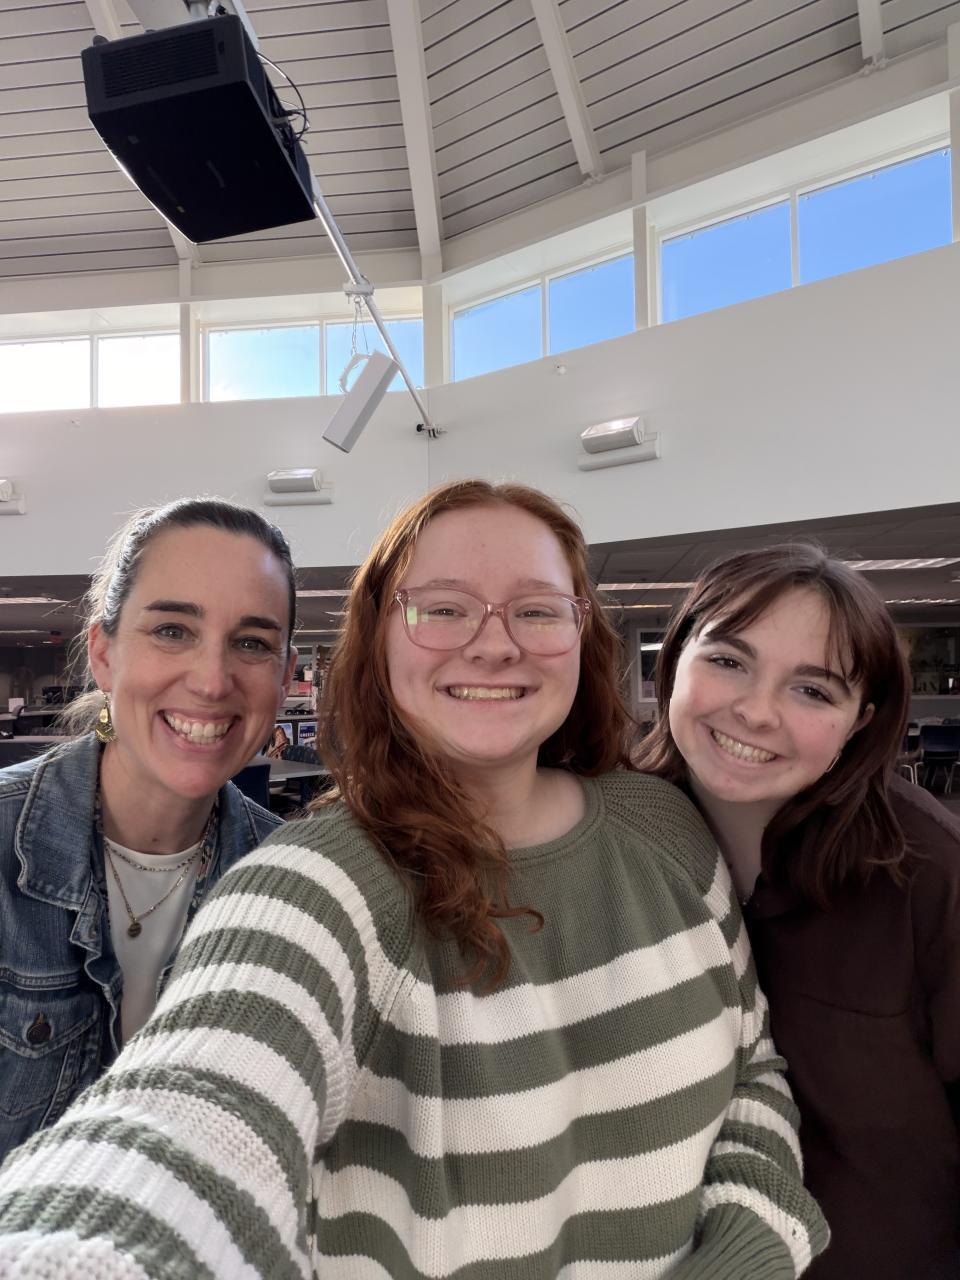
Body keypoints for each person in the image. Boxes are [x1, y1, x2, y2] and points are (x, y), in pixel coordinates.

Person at [0, 482, 827, 1278]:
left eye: (537, 609)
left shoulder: (665, 827)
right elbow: (188, 1112)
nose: (495, 644)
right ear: (378, 642)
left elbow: (753, 1070)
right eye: (443, 608)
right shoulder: (311, 884)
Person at [635, 544, 960, 1280]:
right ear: (676, 659)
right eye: (728, 661)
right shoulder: (615, 840)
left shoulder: (927, 873)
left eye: (813, 691)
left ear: (860, 722)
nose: (755, 711)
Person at [0, 497, 298, 1163]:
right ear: (103, 653)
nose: (212, 681)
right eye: (171, 630)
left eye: (251, 643)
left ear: (283, 679)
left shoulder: (290, 883)